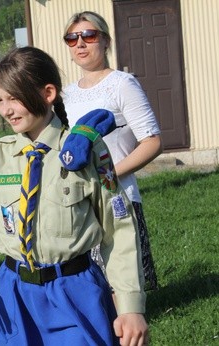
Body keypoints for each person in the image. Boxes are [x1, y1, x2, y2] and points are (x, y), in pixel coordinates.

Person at [0, 46, 149, 346]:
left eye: (14, 98)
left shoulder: (87, 153)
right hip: (14, 294)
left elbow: (118, 230)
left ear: (48, 93)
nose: (6, 110)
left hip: (73, 293)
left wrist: (130, 306)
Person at [62, 11, 162, 290]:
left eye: (88, 35)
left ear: (105, 41)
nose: (80, 43)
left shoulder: (122, 83)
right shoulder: (66, 95)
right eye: (72, 38)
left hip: (117, 195)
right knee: (90, 284)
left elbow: (152, 141)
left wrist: (108, 175)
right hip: (81, 199)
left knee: (124, 281)